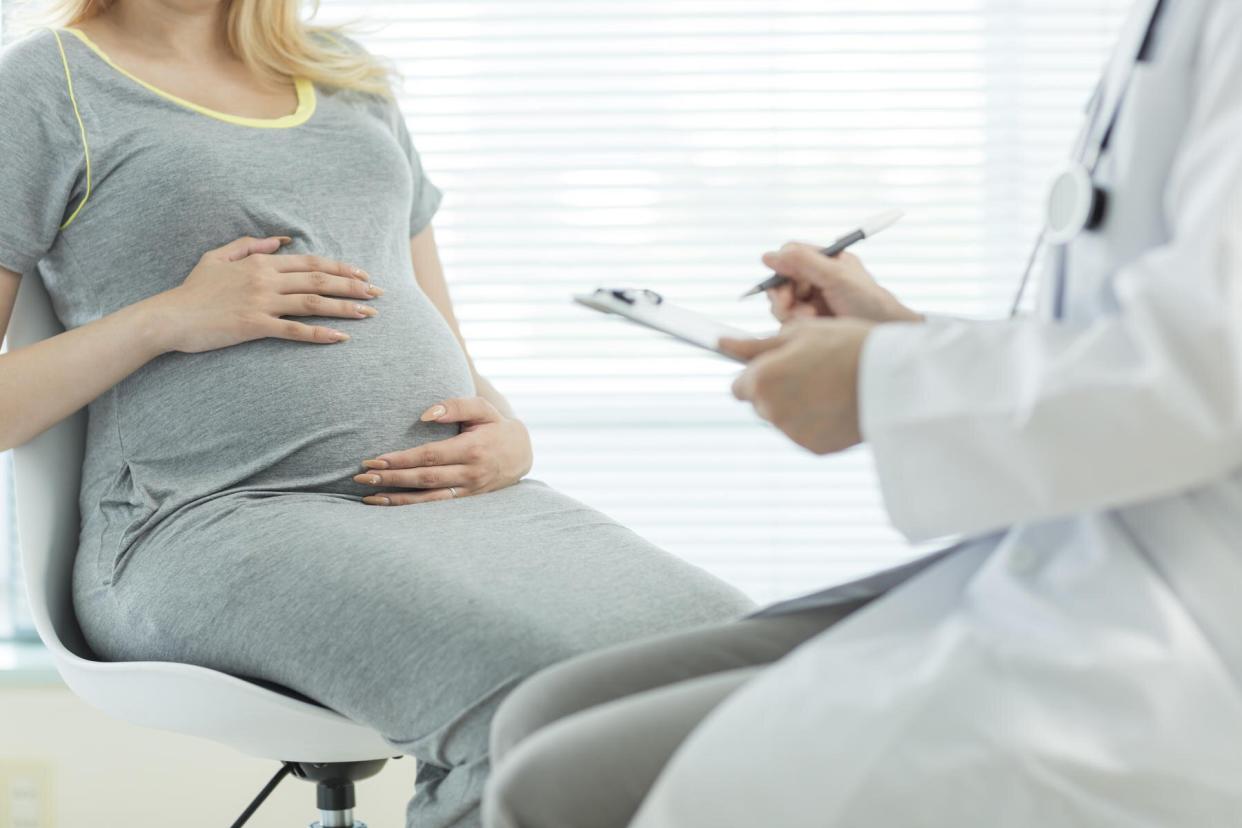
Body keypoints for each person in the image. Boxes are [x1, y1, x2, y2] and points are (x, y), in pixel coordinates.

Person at [483, 0, 1242, 825]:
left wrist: (883, 378)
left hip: (1179, 623)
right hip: (1080, 548)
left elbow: (1210, 368)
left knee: (559, 789)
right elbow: (1132, 325)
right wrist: (900, 339)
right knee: (538, 715)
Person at [0, 2, 754, 826]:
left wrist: (506, 433)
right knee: (538, 707)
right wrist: (166, 318)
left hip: (453, 504)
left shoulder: (341, 72)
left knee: (746, 663)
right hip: (210, 517)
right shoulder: (47, 87)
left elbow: (431, 319)